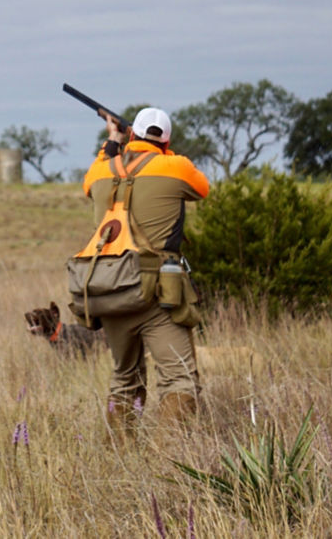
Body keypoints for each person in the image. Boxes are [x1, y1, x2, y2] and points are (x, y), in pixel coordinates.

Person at [81, 107, 209, 429]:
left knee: (124, 380)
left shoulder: (100, 171)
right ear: (166, 142)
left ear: (132, 134)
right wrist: (165, 153)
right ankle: (167, 462)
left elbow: (88, 186)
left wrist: (112, 141)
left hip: (107, 289)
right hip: (157, 291)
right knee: (179, 380)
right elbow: (202, 188)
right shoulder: (175, 166)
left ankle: (120, 461)